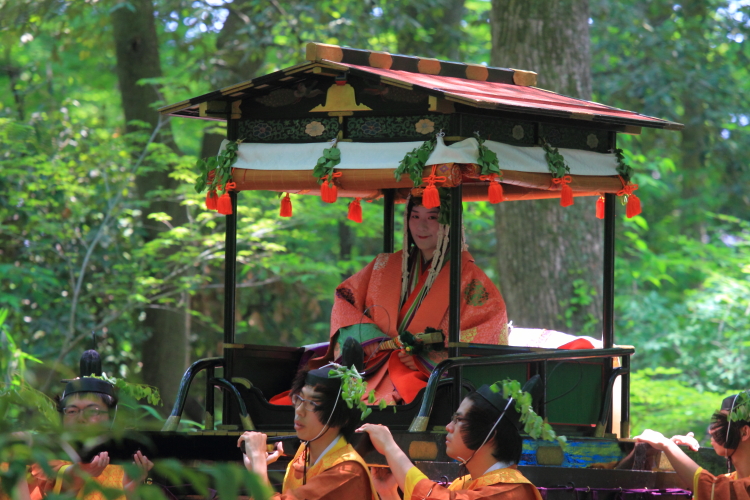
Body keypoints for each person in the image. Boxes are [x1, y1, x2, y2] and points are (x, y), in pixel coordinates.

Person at [309, 194, 508, 405]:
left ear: (449, 223)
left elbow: (487, 332)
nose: (421, 226)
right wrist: (372, 342)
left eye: (432, 218)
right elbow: (345, 299)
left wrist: (425, 359)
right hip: (373, 367)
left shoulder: (470, 278)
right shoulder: (384, 265)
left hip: (427, 376)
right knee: (316, 397)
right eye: (415, 216)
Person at [356, 380, 545, 500]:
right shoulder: (465, 484)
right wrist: (388, 493)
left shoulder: (511, 493)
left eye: (459, 420)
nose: (449, 427)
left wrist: (391, 449)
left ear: (490, 434)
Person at [238, 361, 378, 500]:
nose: (299, 410)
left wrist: (258, 461)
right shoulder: (304, 452)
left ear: (340, 415)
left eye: (313, 403)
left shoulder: (348, 471)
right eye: (299, 399)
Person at [28, 350, 153, 500]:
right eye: (72, 411)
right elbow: (57, 481)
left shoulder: (128, 462)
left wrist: (131, 491)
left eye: (92, 411)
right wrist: (83, 471)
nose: (81, 418)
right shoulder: (47, 455)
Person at [635, 391, 750, 499]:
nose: (712, 431)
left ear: (744, 432)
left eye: (723, 422)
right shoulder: (728, 479)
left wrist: (667, 445)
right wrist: (674, 452)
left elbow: (715, 490)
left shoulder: (727, 486)